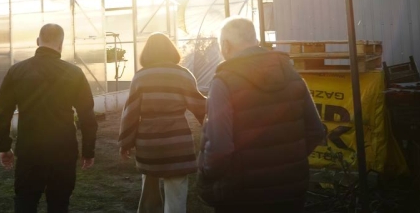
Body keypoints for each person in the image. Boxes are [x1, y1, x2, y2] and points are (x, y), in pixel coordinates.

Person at [197, 17, 327, 213]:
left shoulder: (223, 83)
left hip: (241, 194)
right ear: (255, 40)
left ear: (225, 45)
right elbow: (316, 131)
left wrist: (207, 172)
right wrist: (288, 161)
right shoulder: (291, 74)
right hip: (290, 190)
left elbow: (219, 148)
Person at [0, 23, 98, 213]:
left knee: (26, 200)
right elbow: (87, 115)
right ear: (61, 45)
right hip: (63, 150)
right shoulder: (74, 73)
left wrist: (4, 146)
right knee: (59, 203)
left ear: (37, 42)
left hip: (29, 149)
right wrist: (88, 150)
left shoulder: (17, 71)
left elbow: (2, 112)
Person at [118, 33, 207, 213]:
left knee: (149, 189)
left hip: (149, 143)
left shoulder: (141, 76)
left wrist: (125, 142)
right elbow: (200, 107)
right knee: (176, 192)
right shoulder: (183, 74)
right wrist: (212, 131)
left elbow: (131, 112)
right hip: (177, 143)